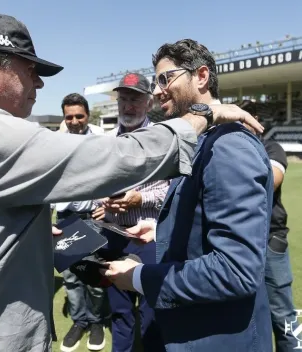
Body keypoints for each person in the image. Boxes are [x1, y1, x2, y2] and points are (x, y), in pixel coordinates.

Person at [0, 13, 262, 352]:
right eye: (29, 69)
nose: (39, 82)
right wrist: (201, 116)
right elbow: (116, 158)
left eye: (165, 79)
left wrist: (22, 236)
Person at [101, 39, 274, 352]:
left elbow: (236, 270)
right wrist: (159, 229)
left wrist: (139, 277)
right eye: (156, 82)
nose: (157, 91)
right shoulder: (203, 141)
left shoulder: (228, 147)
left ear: (202, 76)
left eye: (166, 79)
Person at [92, 73, 169, 352]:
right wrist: (103, 201)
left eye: (135, 99)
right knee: (120, 313)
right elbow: (96, 186)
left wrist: (139, 198)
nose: (128, 105)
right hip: (113, 237)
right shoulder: (107, 142)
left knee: (151, 314)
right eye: (124, 99)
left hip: (148, 239)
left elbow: (170, 192)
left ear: (149, 103)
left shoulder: (163, 140)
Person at [239, 100, 299, 352]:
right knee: (247, 317)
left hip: (270, 241)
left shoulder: (270, 147)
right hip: (240, 243)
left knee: (283, 315)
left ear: (256, 121)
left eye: (245, 120)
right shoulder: (232, 151)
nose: (240, 126)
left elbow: (272, 180)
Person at [53, 93, 107, 352]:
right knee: (72, 276)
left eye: (79, 116)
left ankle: (96, 321)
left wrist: (105, 204)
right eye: (69, 117)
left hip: (93, 217)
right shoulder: (56, 142)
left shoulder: (102, 139)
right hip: (66, 217)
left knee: (94, 276)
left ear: (88, 115)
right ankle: (80, 321)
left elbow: (113, 174)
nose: (74, 121)